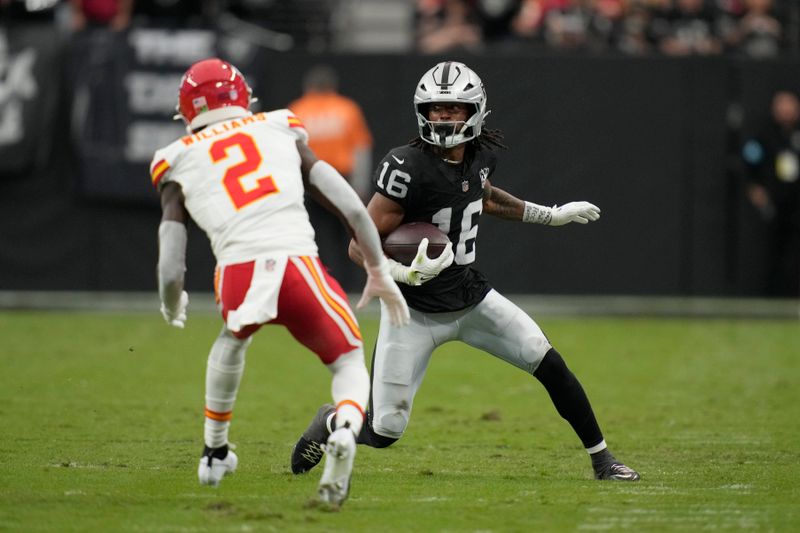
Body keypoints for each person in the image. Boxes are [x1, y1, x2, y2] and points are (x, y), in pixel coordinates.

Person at [291, 60, 640, 483]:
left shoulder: (479, 157)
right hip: (412, 313)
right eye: (436, 108)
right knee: (384, 430)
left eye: (453, 108)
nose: (443, 117)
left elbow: (484, 196)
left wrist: (551, 216)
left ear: (474, 110)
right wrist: (403, 275)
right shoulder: (406, 167)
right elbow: (355, 245)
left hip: (470, 297)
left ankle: (603, 460)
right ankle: (329, 422)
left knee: (546, 359)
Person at [150, 58, 409, 508]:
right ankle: (346, 430)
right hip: (296, 264)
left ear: (187, 110)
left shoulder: (176, 155)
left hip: (236, 272)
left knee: (230, 343)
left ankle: (214, 452)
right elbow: (349, 205)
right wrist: (379, 269)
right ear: (241, 98)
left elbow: (172, 260)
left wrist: (171, 301)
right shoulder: (277, 126)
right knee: (349, 361)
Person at [288, 65, 374, 292]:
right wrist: (360, 184)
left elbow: (288, 151)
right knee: (349, 238)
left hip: (308, 182)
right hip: (341, 179)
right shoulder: (347, 108)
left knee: (312, 238)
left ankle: (319, 286)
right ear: (332, 87)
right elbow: (361, 148)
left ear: (309, 87)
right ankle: (352, 287)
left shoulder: (297, 109)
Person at [741, 89, 800, 297]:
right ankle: (774, 296)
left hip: (796, 204)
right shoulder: (764, 135)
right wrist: (755, 190)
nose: (785, 110)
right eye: (781, 105)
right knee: (774, 252)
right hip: (775, 204)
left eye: (789, 104)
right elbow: (749, 166)